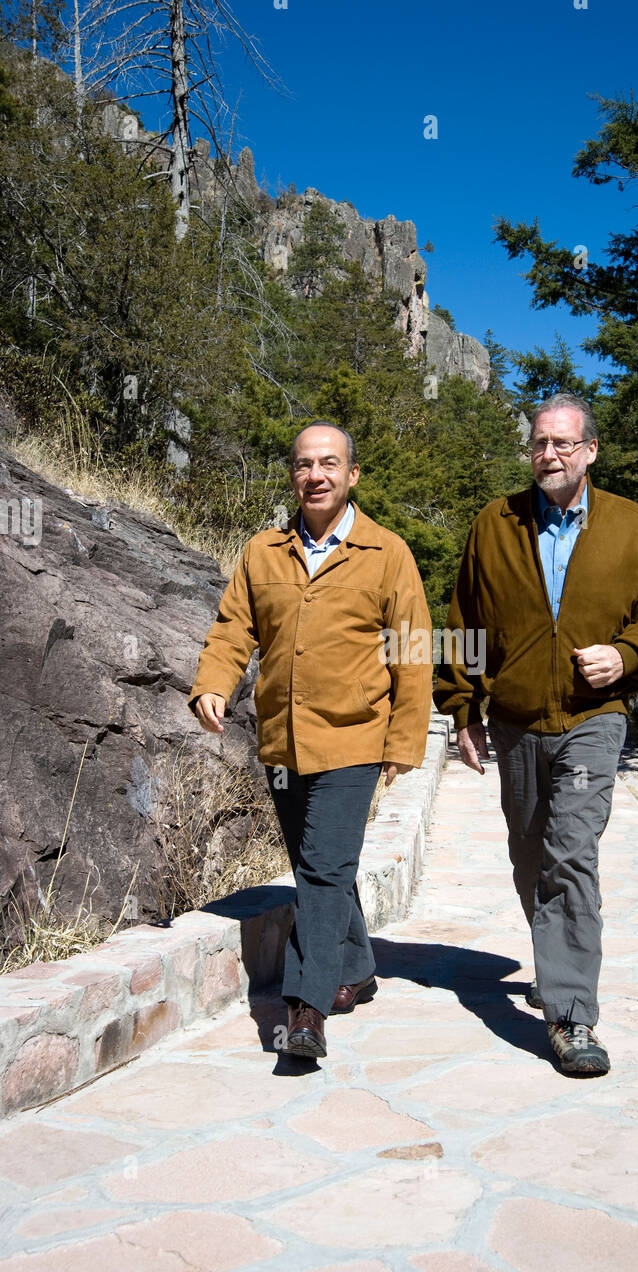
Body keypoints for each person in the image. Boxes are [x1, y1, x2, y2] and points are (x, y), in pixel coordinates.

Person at [434, 393, 638, 1075]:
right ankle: (556, 955)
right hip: (515, 720)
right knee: (529, 855)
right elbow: (463, 621)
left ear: (590, 453)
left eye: (563, 444)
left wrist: (627, 656)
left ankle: (571, 1016)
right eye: (540, 444)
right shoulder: (495, 524)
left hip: (592, 717)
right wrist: (463, 710)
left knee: (569, 852)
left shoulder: (631, 528)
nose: (549, 455)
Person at [189, 420, 432, 1060]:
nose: (315, 475)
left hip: (355, 739)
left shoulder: (388, 553)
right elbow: (232, 628)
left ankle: (307, 1008)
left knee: (323, 870)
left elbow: (411, 653)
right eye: (303, 464)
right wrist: (214, 682)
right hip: (283, 741)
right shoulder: (263, 551)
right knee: (316, 864)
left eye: (329, 464)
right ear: (293, 475)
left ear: (352, 475)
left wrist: (404, 742)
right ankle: (356, 966)